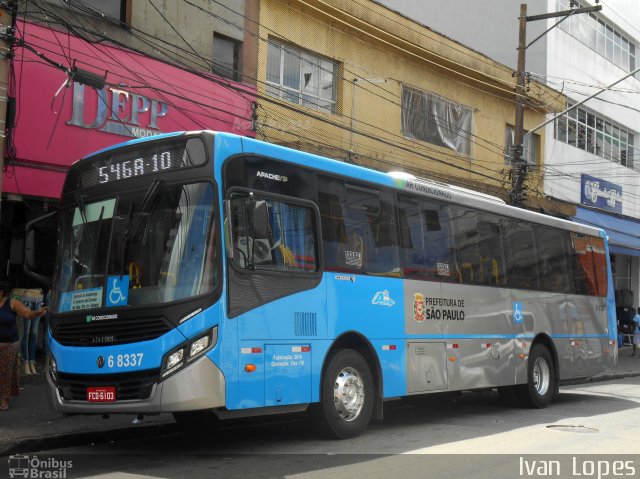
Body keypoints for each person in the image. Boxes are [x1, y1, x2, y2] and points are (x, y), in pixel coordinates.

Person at [0, 280, 47, 411]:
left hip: (9, 344)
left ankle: (4, 400)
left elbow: (26, 313)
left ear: (1, 292)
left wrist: (37, 313)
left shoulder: (12, 303)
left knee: (5, 373)